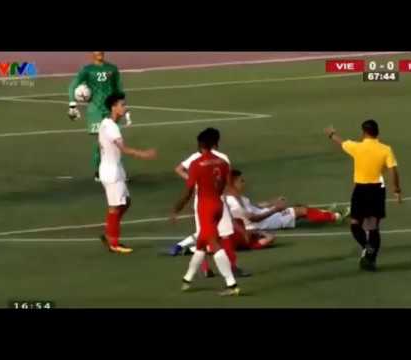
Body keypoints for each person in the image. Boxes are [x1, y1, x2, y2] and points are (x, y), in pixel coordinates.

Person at [169, 128, 250, 278]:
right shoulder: (223, 158)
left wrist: (194, 181)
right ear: (216, 142)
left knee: (204, 235)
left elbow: (179, 169)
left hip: (201, 201)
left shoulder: (194, 158)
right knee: (225, 235)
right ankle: (232, 268)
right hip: (218, 200)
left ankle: (206, 269)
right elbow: (227, 183)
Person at [324, 119, 402, 271]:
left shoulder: (357, 147)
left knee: (355, 225)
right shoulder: (386, 149)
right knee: (373, 227)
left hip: (360, 190)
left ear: (364, 132)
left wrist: (331, 134)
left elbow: (342, 142)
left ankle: (367, 248)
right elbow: (393, 170)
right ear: (377, 132)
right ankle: (371, 259)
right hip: (377, 190)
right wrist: (397, 190)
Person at [225, 169, 350, 250]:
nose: (244, 182)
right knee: (301, 211)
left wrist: (271, 202)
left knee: (299, 206)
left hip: (265, 217)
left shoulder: (236, 196)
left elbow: (254, 206)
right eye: (241, 181)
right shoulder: (234, 203)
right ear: (233, 183)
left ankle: (325, 214)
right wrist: (275, 209)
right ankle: (336, 216)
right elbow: (253, 218)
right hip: (265, 222)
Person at [98, 93, 156, 254]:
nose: (125, 107)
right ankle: (113, 242)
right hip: (112, 172)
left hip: (112, 168)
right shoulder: (112, 127)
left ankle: (110, 233)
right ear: (113, 107)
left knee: (126, 202)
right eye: (122, 104)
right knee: (115, 208)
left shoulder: (106, 123)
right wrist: (144, 154)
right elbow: (124, 149)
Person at [68, 52, 132, 182]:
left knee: (116, 142)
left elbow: (119, 90)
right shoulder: (87, 70)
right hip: (95, 111)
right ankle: (98, 173)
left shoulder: (112, 69)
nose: (100, 53)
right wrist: (72, 105)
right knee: (100, 144)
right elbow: (72, 86)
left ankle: (119, 172)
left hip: (111, 111)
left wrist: (124, 109)